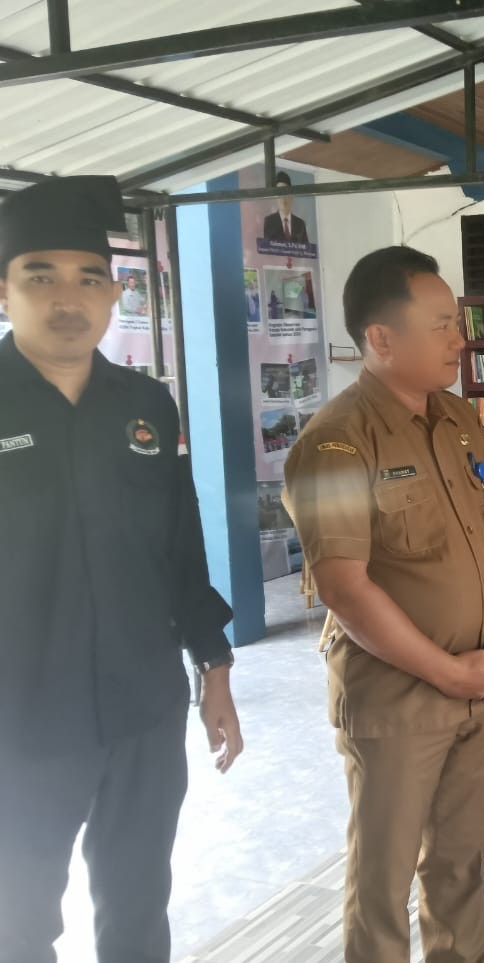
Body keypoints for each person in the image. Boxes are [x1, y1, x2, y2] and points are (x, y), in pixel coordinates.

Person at [0, 175, 243, 963]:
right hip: (23, 722)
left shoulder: (147, 404)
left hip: (143, 707)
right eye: (41, 275)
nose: (67, 297)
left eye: (89, 277)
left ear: (113, 293)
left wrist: (215, 667)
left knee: (139, 906)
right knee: (19, 922)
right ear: (5, 290)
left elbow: (181, 543)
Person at [283, 245, 484, 963]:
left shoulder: (458, 416)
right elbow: (344, 587)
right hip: (397, 698)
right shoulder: (333, 442)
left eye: (458, 323)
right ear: (382, 339)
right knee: (383, 880)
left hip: (480, 688)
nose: (461, 339)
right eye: (444, 324)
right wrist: (446, 672)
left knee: (461, 863)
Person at [263, 170, 311, 244]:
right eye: (279, 193)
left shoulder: (300, 224)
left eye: (285, 192)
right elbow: (267, 250)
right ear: (275, 198)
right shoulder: (269, 222)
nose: (283, 197)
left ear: (291, 196)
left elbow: (306, 252)